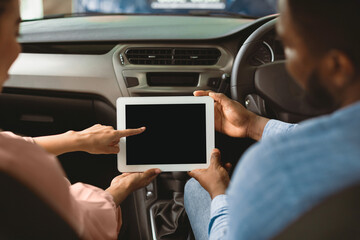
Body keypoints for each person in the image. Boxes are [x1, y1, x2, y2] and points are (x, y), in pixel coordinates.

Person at [184, 0, 360, 239]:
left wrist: (218, 193)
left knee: (196, 189)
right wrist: (253, 125)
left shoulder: (274, 168)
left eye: (287, 46)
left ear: (337, 68)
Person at [0, 0, 160, 239]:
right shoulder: (18, 170)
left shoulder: (17, 161)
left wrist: (77, 139)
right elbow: (80, 227)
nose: (18, 49)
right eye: (15, 32)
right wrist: (119, 189)